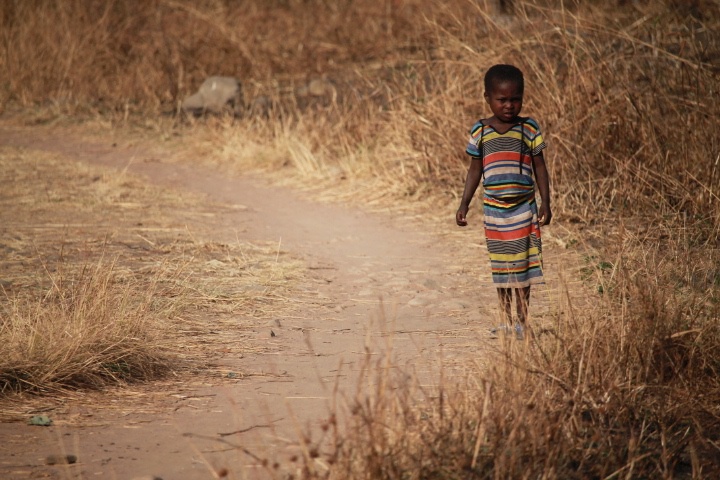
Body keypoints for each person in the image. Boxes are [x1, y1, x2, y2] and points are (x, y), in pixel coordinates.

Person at [455, 64, 552, 339]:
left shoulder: (528, 128)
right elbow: (475, 169)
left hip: (524, 210)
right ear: (487, 97)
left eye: (515, 98)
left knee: (523, 269)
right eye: (502, 99)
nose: (509, 105)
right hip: (494, 212)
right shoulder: (480, 131)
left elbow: (540, 167)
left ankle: (522, 322)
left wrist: (546, 202)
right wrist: (464, 204)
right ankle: (506, 321)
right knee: (502, 268)